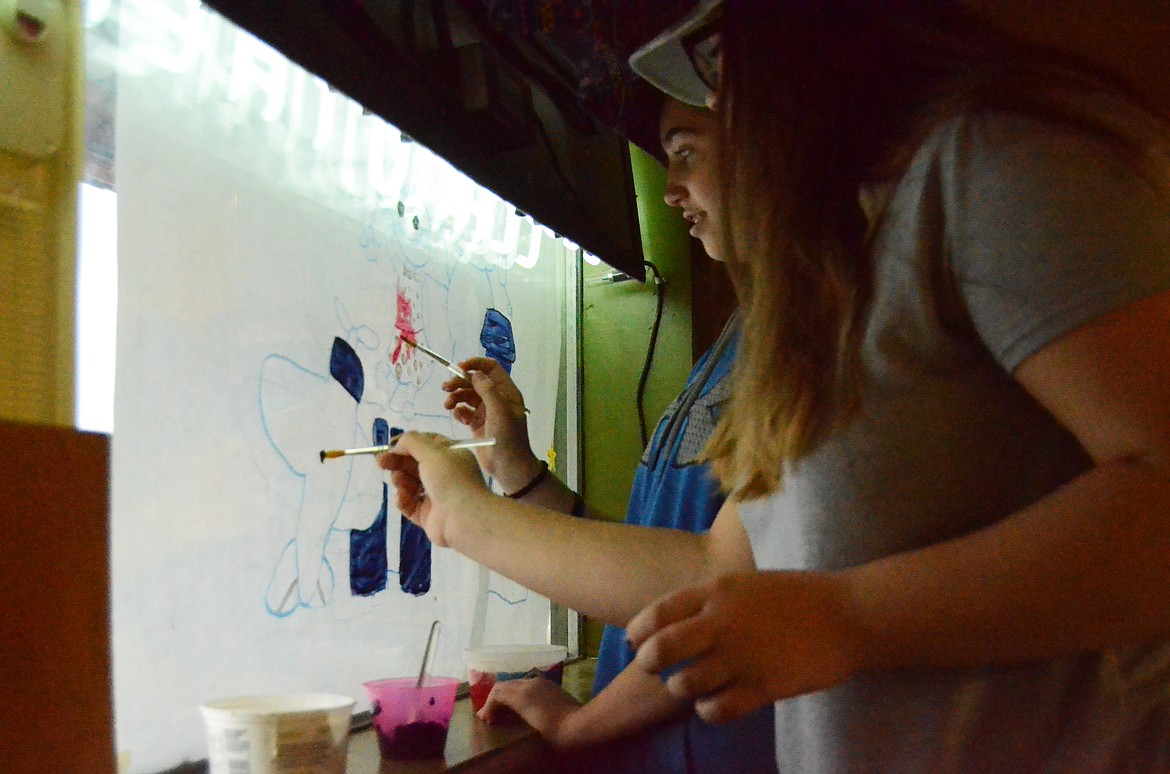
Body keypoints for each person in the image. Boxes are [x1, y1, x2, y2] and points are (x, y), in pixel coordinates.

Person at [382, 1, 1170, 770]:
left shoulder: (991, 160)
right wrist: (468, 526)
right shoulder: (828, 294)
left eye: (686, 148)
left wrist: (849, 619)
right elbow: (719, 578)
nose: (667, 190)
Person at [435, 97, 776, 772]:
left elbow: (722, 597)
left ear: (775, 150)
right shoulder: (739, 340)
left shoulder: (812, 347)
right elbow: (659, 565)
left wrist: (460, 512)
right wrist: (515, 466)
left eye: (686, 153)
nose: (672, 189)